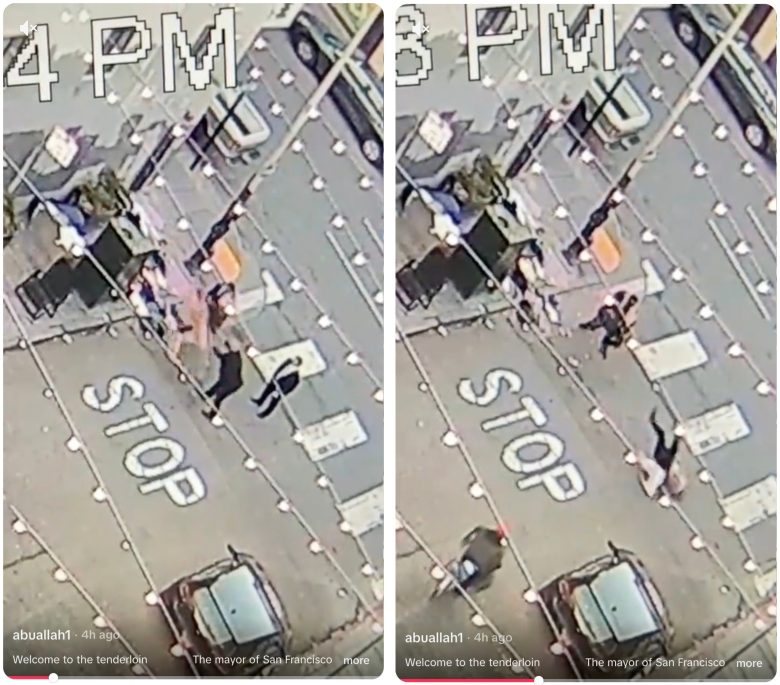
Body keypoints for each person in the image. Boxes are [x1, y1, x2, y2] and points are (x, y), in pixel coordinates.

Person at [202, 338, 244, 420]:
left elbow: (220, 356)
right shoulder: (236, 356)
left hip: (230, 383)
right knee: (217, 387)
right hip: (233, 382)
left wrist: (214, 348)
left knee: (218, 398)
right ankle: (206, 395)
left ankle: (212, 414)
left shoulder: (229, 357)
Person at [458, 525, 507, 591]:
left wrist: (465, 542)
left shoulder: (483, 530)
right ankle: (464, 589)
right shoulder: (499, 549)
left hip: (467, 557)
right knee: (485, 580)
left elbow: (470, 536)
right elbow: (495, 564)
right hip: (478, 566)